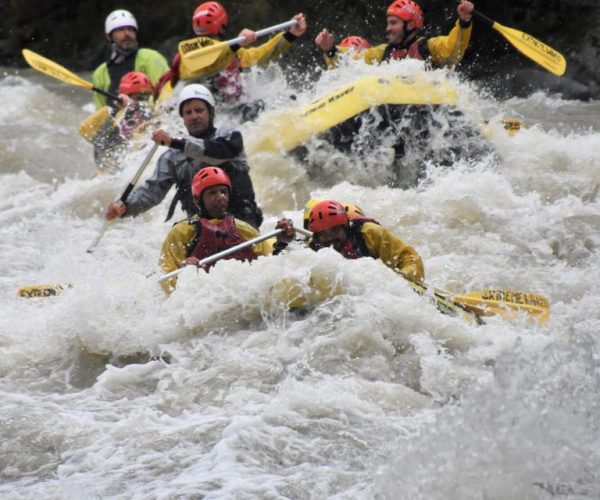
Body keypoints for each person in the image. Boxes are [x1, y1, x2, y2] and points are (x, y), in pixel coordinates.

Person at [105, 84, 263, 228]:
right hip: (202, 229)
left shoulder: (230, 137)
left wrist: (176, 143)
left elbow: (215, 152)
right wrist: (126, 206)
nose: (194, 116)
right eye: (188, 112)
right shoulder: (172, 157)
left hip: (242, 222)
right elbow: (153, 191)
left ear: (211, 112)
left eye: (199, 110)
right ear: (183, 117)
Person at [155, 3, 307, 107]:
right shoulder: (188, 57)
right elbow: (211, 64)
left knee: (282, 100)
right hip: (191, 118)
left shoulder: (234, 52)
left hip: (227, 114)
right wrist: (235, 44)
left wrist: (290, 35)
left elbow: (262, 55)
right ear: (222, 26)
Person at [159, 166, 272, 292]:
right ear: (198, 199)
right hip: (204, 297)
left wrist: (283, 241)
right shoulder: (182, 232)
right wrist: (184, 269)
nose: (220, 197)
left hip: (242, 292)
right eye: (212, 193)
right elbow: (166, 275)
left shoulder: (243, 229)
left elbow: (271, 260)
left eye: (223, 191)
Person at [276, 199, 424, 284]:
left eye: (334, 231)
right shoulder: (316, 246)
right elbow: (289, 267)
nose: (329, 239)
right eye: (323, 234)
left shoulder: (369, 233)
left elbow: (409, 258)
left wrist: (401, 280)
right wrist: (284, 244)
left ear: (346, 227)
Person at [315, 0, 474, 69]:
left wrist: (464, 22)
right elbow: (350, 62)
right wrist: (330, 50)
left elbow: (454, 50)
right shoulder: (382, 52)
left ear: (410, 25)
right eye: (388, 23)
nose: (387, 28)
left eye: (393, 23)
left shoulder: (429, 47)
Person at [93, 9, 169, 110]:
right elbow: (101, 112)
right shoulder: (100, 74)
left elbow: (166, 95)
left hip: (152, 121)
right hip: (120, 123)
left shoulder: (151, 58)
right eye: (120, 30)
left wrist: (134, 106)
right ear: (109, 36)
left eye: (130, 29)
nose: (127, 34)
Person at [80, 71, 155, 173]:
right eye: (139, 98)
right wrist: (116, 110)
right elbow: (84, 130)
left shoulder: (147, 120)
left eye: (146, 99)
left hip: (129, 175)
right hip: (108, 178)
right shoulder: (110, 115)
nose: (142, 103)